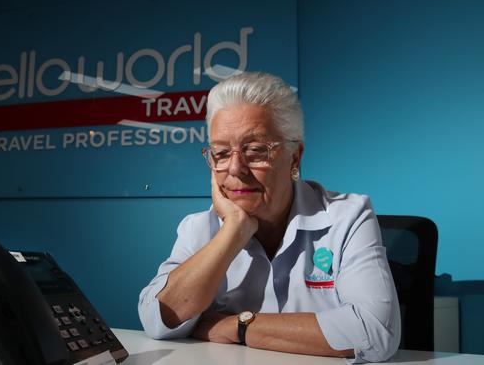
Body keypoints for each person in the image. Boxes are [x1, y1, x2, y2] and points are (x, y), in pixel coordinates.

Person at [138, 72, 401, 363]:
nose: (235, 169)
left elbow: (375, 331)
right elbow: (156, 319)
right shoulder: (199, 227)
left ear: (294, 157)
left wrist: (237, 326)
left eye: (255, 150)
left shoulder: (348, 216)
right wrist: (233, 232)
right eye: (221, 153)